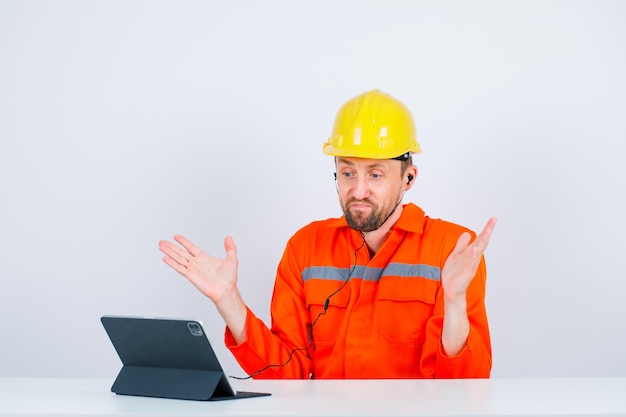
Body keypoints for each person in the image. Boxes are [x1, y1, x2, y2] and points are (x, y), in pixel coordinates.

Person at [159, 89, 497, 379]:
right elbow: (286, 372)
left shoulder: (452, 251)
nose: (359, 190)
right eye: (347, 172)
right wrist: (228, 301)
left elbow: (467, 388)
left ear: (409, 178)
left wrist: (454, 304)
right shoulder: (306, 248)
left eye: (375, 174)